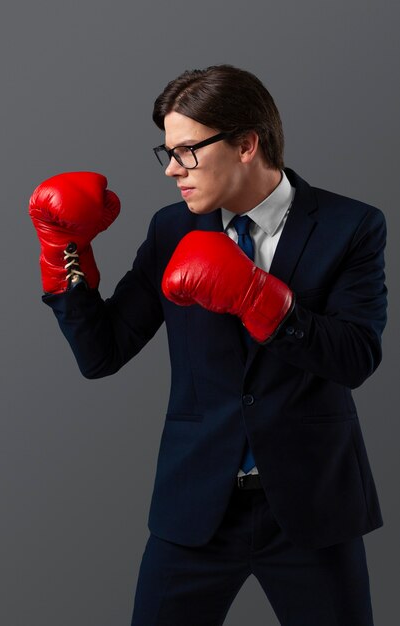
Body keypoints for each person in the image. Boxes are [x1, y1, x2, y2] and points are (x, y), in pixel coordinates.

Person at [29, 64, 387, 626]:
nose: (173, 169)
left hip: (311, 506)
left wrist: (259, 298)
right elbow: (102, 354)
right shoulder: (171, 230)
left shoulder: (352, 226)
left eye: (188, 151)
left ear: (247, 143)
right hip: (196, 504)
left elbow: (356, 357)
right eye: (167, 152)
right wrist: (63, 257)